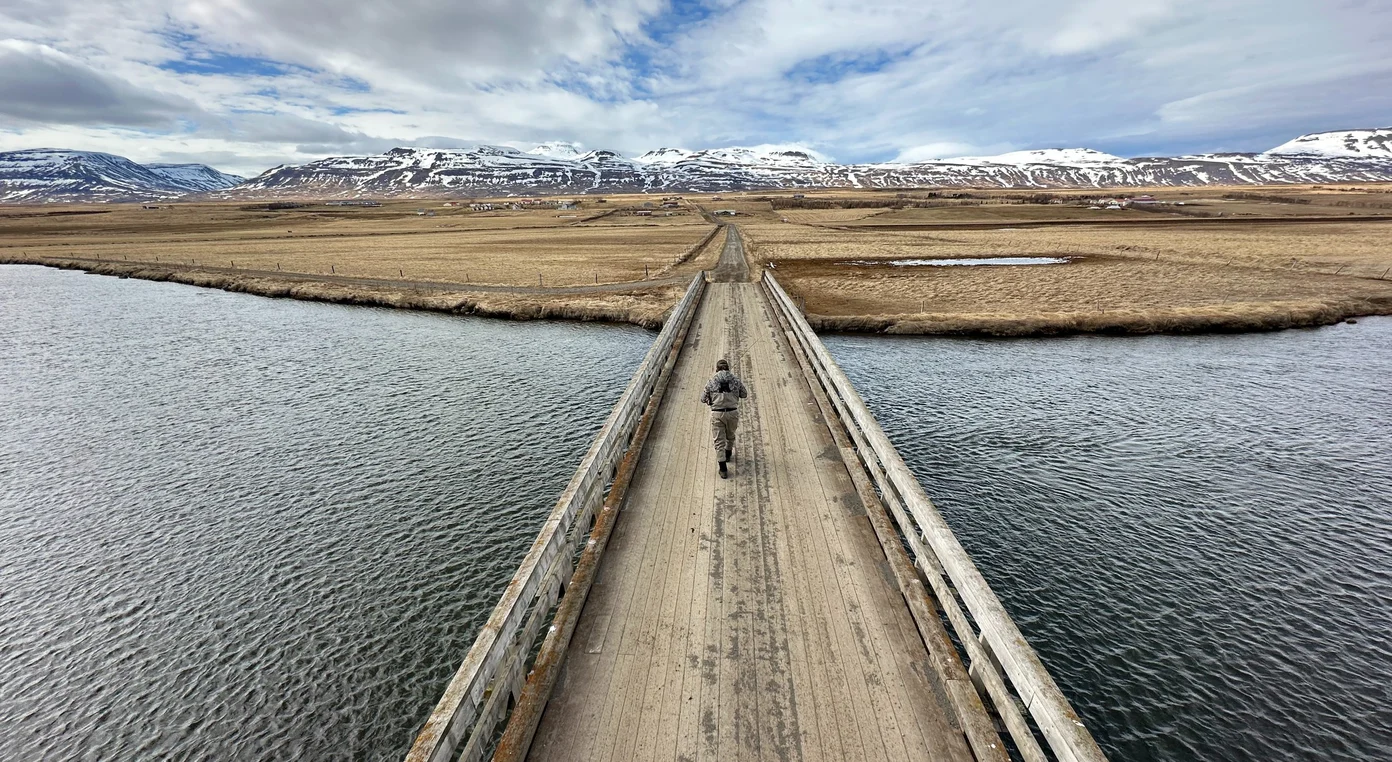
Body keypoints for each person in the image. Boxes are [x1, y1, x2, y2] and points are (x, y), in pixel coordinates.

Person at [700, 359, 748, 479]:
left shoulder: (711, 381)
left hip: (717, 413)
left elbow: (703, 398)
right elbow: (744, 394)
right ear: (728, 368)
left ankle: (723, 469)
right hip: (732, 413)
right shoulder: (735, 380)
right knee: (730, 435)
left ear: (717, 369)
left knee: (718, 441)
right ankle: (728, 453)